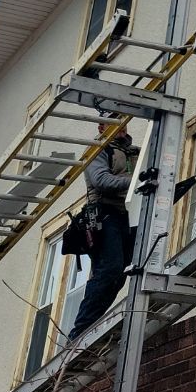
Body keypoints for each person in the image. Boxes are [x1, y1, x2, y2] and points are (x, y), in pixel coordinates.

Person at [66, 132, 137, 342]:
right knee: (109, 269)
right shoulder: (98, 149)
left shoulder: (135, 153)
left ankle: (92, 327)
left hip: (128, 216)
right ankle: (80, 332)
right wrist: (135, 181)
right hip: (104, 215)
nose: (104, 124)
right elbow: (101, 180)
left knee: (120, 274)